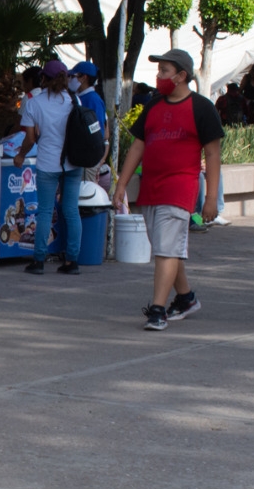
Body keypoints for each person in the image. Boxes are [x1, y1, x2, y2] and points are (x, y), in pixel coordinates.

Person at [112, 49, 224, 331]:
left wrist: (210, 199)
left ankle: (158, 309)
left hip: (180, 187)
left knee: (166, 248)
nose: (159, 76)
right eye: (159, 70)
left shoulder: (201, 107)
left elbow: (212, 155)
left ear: (181, 76)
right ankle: (185, 298)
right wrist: (122, 185)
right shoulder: (153, 105)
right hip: (151, 187)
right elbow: (138, 145)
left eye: (164, 71)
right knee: (166, 248)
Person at [12, 60, 83, 275]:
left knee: (44, 211)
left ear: (43, 78)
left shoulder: (35, 103)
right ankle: (72, 261)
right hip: (73, 162)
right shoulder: (73, 99)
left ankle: (39, 260)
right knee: (71, 211)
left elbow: (31, 138)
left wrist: (21, 155)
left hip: (48, 163)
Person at [68, 61, 108, 184]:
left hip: (87, 158)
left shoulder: (92, 100)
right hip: (81, 157)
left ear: (84, 78)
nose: (70, 80)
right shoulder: (83, 97)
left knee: (86, 196)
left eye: (73, 76)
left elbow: (98, 132)